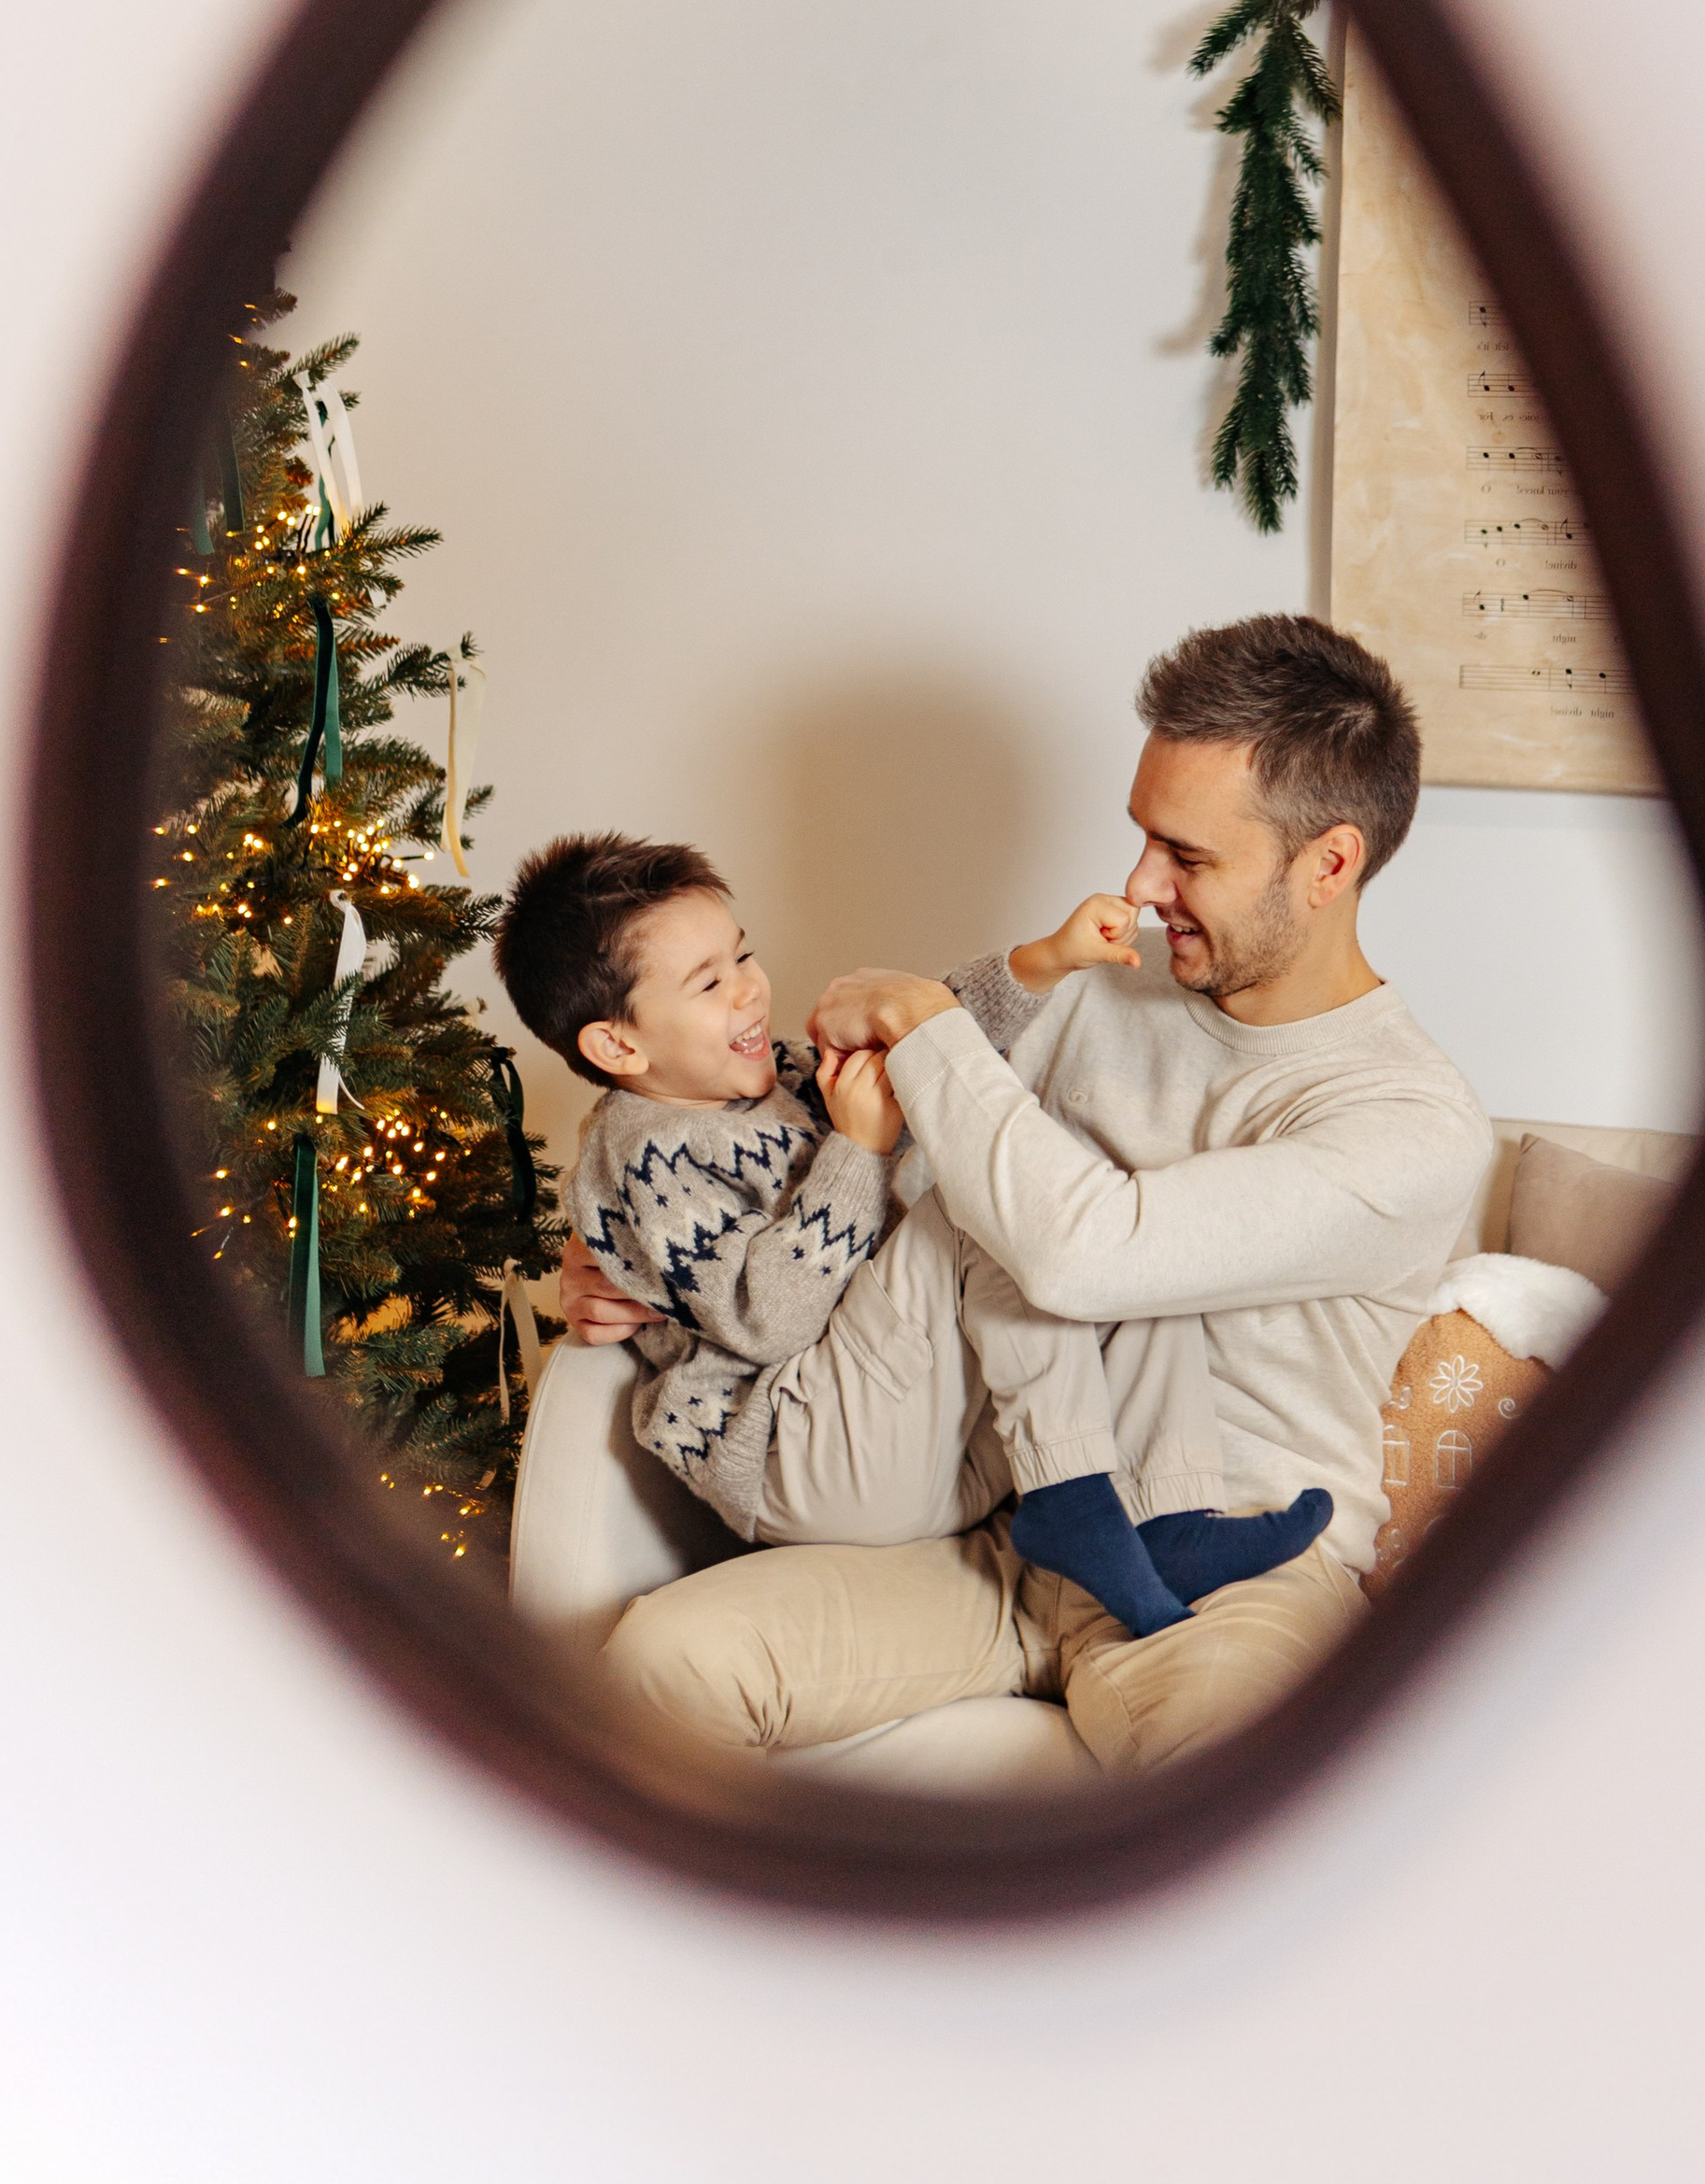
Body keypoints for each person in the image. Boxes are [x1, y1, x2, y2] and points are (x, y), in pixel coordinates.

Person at [565, 613, 1494, 1773]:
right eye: (1143, 837)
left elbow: (1082, 1248)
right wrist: (648, 1273)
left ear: (1329, 864)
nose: (1141, 884)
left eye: (1188, 855)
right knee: (663, 1659)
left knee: (1231, 1789)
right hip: (998, 1532)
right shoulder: (1106, 994)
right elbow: (878, 1207)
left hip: (1236, 1566)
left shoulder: (1409, 1124)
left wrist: (922, 1016)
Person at [498, 833, 1331, 1642]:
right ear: (618, 1043)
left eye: (743, 957)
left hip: (919, 1447)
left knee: (1100, 1223)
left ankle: (1167, 1517)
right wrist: (857, 1152)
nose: (750, 991)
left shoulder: (778, 1078)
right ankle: (1074, 1505)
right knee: (980, 1193)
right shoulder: (644, 1155)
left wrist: (1046, 957)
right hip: (806, 1461)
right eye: (709, 983)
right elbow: (768, 1320)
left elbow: (924, 1033)